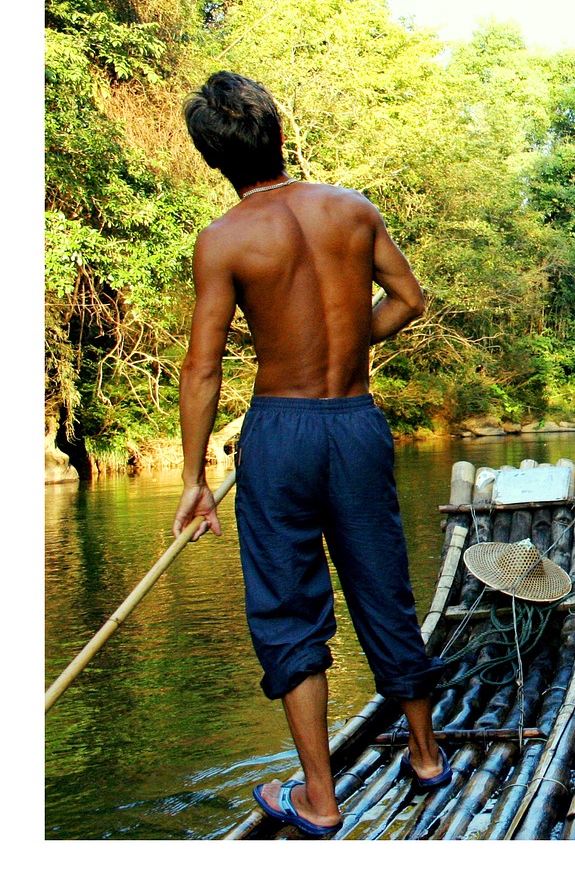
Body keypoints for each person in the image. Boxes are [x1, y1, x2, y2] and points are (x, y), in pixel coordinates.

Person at [172, 71, 449, 836]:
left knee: (291, 611)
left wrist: (194, 479)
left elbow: (202, 369)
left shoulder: (224, 239)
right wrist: (344, 340)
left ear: (215, 160)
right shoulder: (353, 211)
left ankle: (320, 799)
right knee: (383, 589)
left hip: (280, 432)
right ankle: (426, 757)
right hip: (355, 422)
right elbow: (409, 300)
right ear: (278, 132)